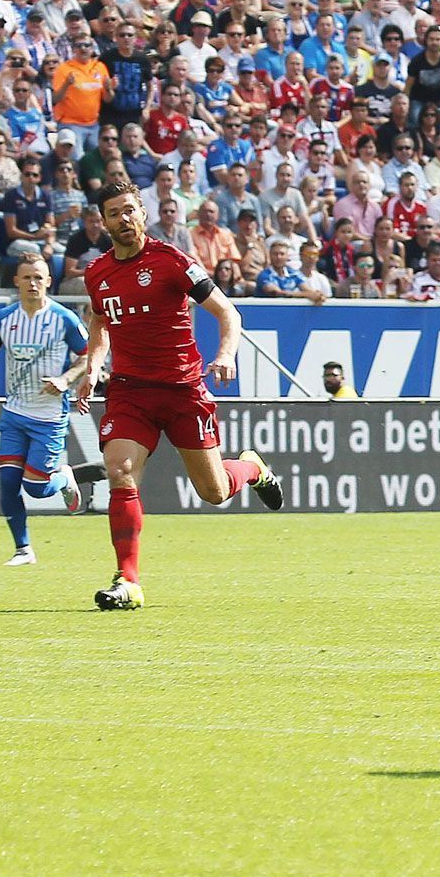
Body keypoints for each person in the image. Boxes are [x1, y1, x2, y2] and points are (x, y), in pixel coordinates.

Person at [77, 181, 285, 610]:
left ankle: (251, 468)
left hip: (183, 391)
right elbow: (99, 322)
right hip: (131, 391)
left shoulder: (171, 261)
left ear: (143, 213)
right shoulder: (96, 273)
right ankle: (128, 580)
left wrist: (225, 354)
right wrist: (94, 364)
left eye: (130, 210)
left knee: (213, 491)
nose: (124, 219)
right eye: (114, 213)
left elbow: (228, 312)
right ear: (104, 222)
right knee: (121, 470)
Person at [0, 254, 108, 564]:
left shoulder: (64, 319)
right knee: (9, 483)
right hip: (14, 413)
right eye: (27, 277)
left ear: (49, 281)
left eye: (39, 277)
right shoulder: (4, 319)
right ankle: (23, 549)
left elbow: (87, 356)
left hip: (49, 416)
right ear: (16, 281)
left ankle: (65, 479)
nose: (33, 283)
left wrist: (66, 380)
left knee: (37, 488)